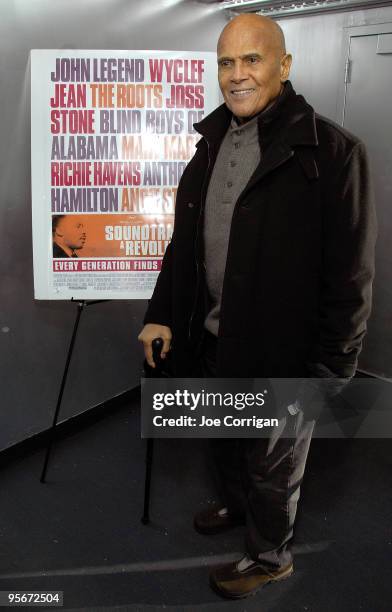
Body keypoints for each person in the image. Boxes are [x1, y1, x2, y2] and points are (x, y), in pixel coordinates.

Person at [138, 14, 376, 600]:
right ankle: (240, 504)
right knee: (227, 436)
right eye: (226, 62)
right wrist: (161, 311)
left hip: (284, 353)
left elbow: (351, 277)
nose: (237, 75)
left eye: (252, 60)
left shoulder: (334, 153)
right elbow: (184, 244)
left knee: (276, 463)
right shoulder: (209, 145)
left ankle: (271, 554)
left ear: (284, 65)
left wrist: (331, 370)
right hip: (216, 337)